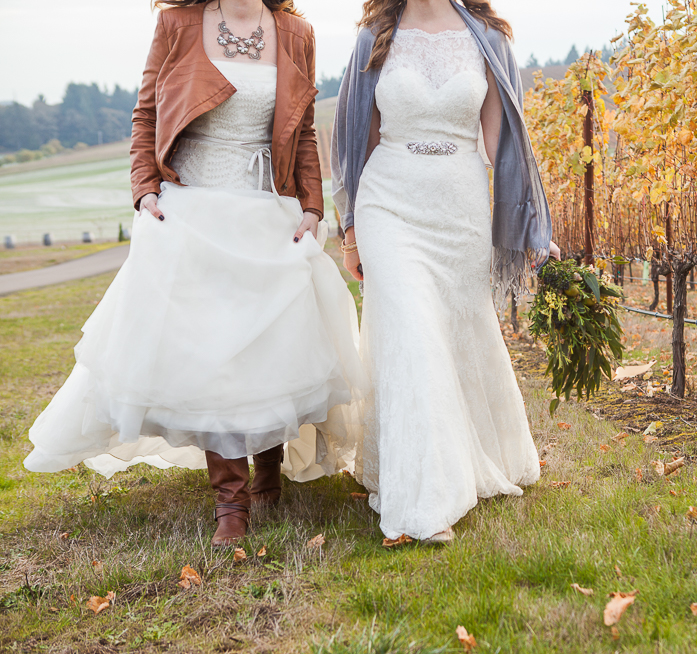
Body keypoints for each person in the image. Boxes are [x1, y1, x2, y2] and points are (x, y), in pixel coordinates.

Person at [24, 0, 367, 548]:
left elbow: (302, 129)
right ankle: (230, 504)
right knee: (214, 354)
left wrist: (311, 205)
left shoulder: (297, 32)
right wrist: (145, 191)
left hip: (264, 210)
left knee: (269, 346)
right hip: (193, 212)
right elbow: (146, 117)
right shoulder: (176, 23)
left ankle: (268, 474)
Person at [331, 0, 560, 543]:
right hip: (389, 204)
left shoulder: (489, 38)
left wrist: (523, 222)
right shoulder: (374, 36)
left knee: (457, 334)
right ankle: (423, 500)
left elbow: (506, 146)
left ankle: (470, 454)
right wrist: (351, 230)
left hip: (459, 210)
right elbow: (353, 139)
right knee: (413, 334)